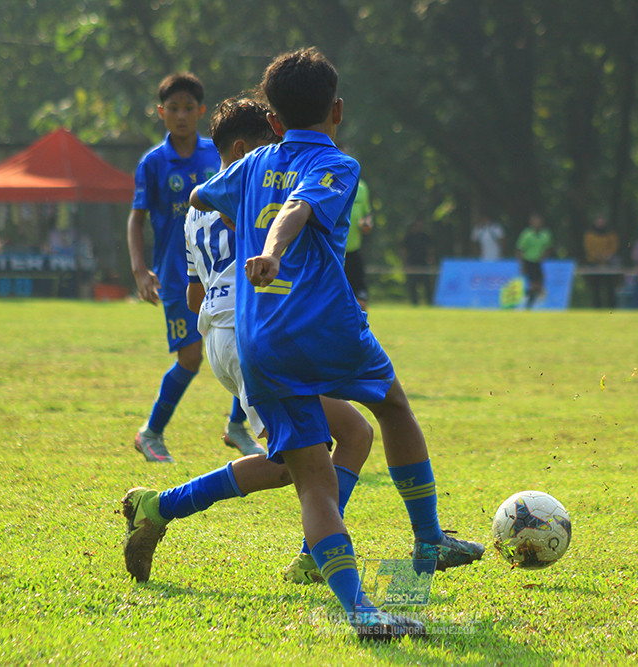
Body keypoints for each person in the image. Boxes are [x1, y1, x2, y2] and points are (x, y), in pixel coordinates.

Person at [190, 47, 483, 640]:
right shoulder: (339, 165)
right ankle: (427, 539)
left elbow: (201, 197)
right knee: (392, 406)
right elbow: (298, 207)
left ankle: (362, 613)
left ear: (272, 121)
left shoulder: (250, 164)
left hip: (261, 341)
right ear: (338, 110)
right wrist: (271, 249)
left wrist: (243, 210)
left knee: (314, 479)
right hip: (325, 326)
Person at [122, 95, 374, 587]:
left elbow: (194, 294)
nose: (278, 158)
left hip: (220, 335)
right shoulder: (250, 194)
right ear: (243, 148)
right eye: (270, 146)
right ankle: (162, 506)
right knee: (298, 464)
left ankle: (311, 553)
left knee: (352, 435)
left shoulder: (200, 204)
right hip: (253, 335)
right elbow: (279, 262)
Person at [127, 72, 261, 463]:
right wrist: (139, 269)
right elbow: (137, 217)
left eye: (189, 108)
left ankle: (237, 425)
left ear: (201, 111)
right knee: (190, 357)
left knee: (247, 340)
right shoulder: (153, 163)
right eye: (173, 109)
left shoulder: (216, 154)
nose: (181, 115)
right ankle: (150, 432)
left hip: (227, 270)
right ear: (161, 113)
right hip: (177, 273)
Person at [344, 178, 374, 311]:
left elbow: (367, 215)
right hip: (331, 253)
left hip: (353, 252)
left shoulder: (361, 187)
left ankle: (360, 330)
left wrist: (367, 224)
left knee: (361, 299)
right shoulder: (328, 181)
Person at [516, 212, 553, 308]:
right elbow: (520, 249)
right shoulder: (527, 234)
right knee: (534, 283)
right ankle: (528, 300)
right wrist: (522, 264)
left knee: (539, 284)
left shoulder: (545, 234)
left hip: (538, 261)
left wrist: (544, 256)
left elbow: (548, 247)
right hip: (529, 260)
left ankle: (528, 297)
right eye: (534, 221)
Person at [583, 214, 620, 309]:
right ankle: (597, 306)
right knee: (596, 287)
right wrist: (598, 257)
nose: (600, 223)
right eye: (598, 221)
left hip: (608, 263)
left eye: (602, 221)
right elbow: (588, 248)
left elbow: (614, 247)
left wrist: (606, 257)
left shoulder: (610, 233)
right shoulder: (589, 234)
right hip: (594, 262)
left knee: (610, 286)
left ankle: (612, 306)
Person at [402, 218, 434, 306]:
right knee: (413, 284)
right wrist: (405, 263)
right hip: (412, 263)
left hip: (423, 263)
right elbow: (404, 251)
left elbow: (430, 249)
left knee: (427, 284)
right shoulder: (409, 237)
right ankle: (414, 302)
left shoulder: (425, 237)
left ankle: (429, 302)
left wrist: (430, 259)